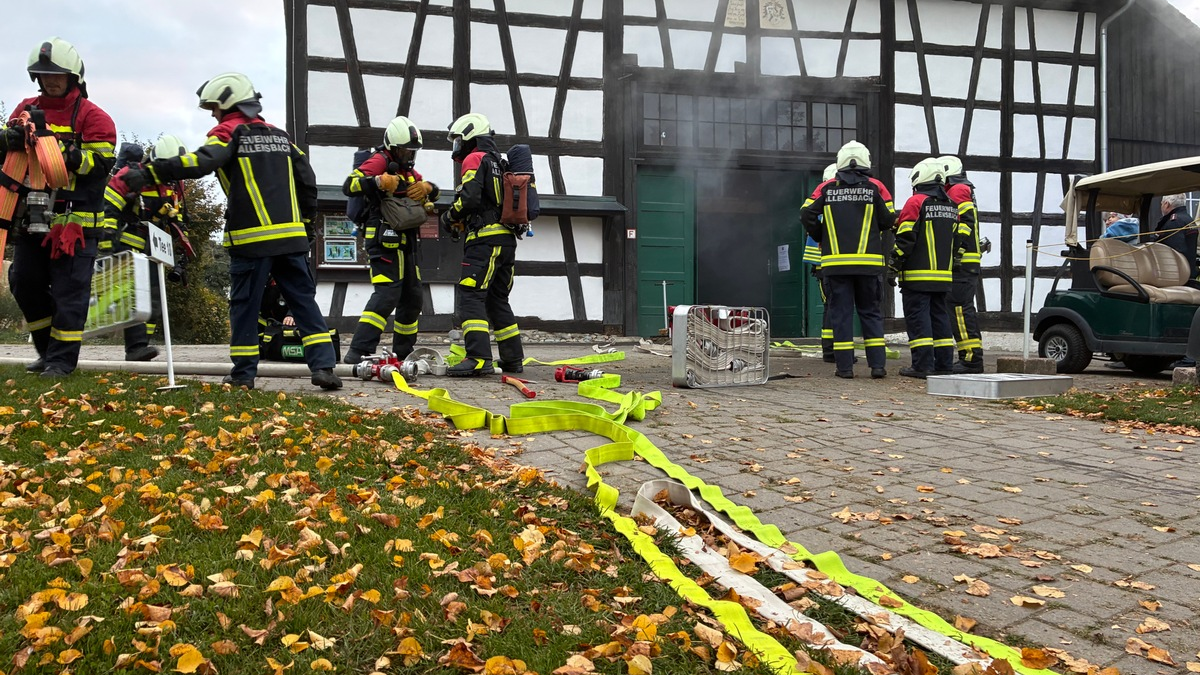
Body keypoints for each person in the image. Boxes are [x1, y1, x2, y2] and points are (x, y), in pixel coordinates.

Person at [123, 72, 341, 390]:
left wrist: (151, 172)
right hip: (292, 239)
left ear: (229, 104)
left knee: (244, 307)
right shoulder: (283, 138)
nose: (213, 114)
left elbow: (201, 162)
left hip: (251, 240)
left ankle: (243, 374)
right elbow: (307, 181)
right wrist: (306, 226)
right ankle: (324, 368)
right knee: (303, 302)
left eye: (215, 107)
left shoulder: (229, 132)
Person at [3, 38, 116, 378]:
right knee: (24, 281)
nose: (50, 81)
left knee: (70, 293)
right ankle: (46, 351)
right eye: (44, 75)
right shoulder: (24, 109)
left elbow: (101, 165)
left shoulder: (95, 117)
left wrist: (65, 155)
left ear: (73, 77)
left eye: (58, 75)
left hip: (74, 225)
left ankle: (62, 362)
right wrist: (8, 140)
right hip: (32, 218)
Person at [341, 116, 438, 365]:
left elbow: (430, 192)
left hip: (407, 242)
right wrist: (378, 181)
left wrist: (428, 188)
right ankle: (358, 352)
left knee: (412, 298)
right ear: (393, 147)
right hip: (383, 240)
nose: (410, 155)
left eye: (413, 151)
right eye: (405, 150)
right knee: (386, 295)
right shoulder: (380, 160)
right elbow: (349, 185)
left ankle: (404, 353)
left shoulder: (407, 170)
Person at [800, 141, 896, 379]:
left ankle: (844, 368)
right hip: (868, 264)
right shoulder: (876, 187)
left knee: (841, 315)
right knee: (870, 313)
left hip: (836, 264)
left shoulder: (826, 187)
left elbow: (806, 213)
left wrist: (820, 234)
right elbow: (889, 218)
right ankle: (877, 367)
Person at [440, 112, 524, 376]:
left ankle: (478, 358)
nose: (457, 146)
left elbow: (470, 198)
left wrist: (449, 217)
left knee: (471, 295)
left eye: (458, 140)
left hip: (484, 241)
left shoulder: (475, 158)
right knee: (497, 299)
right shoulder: (499, 161)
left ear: (470, 136)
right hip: (506, 240)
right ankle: (512, 360)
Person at [103, 134, 192, 362]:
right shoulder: (130, 175)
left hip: (155, 246)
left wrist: (179, 228)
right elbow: (109, 207)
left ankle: (142, 345)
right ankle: (136, 348)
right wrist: (107, 242)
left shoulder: (173, 183)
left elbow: (175, 211)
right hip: (129, 242)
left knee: (154, 296)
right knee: (135, 295)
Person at [892, 159, 968, 378]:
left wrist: (893, 265)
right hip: (943, 277)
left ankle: (922, 365)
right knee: (940, 319)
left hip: (917, 277)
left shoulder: (916, 202)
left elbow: (906, 239)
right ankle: (944, 364)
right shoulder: (952, 206)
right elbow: (958, 239)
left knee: (919, 320)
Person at [937, 156, 985, 374]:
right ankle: (969, 357)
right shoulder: (964, 189)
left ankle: (971, 359)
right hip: (967, 261)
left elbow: (964, 223)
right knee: (961, 310)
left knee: (959, 310)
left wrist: (957, 252)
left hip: (962, 262)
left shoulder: (957, 190)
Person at [1149, 194, 1199, 367]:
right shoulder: (1187, 219)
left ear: (1167, 204)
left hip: (1177, 277)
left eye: (1161, 204)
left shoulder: (1174, 222)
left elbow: (1173, 254)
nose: (1161, 207)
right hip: (1189, 274)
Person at [801, 163, 838, 363]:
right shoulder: (827, 206)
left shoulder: (820, 204)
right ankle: (831, 350)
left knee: (832, 306)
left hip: (825, 266)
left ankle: (834, 349)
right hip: (827, 266)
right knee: (832, 306)